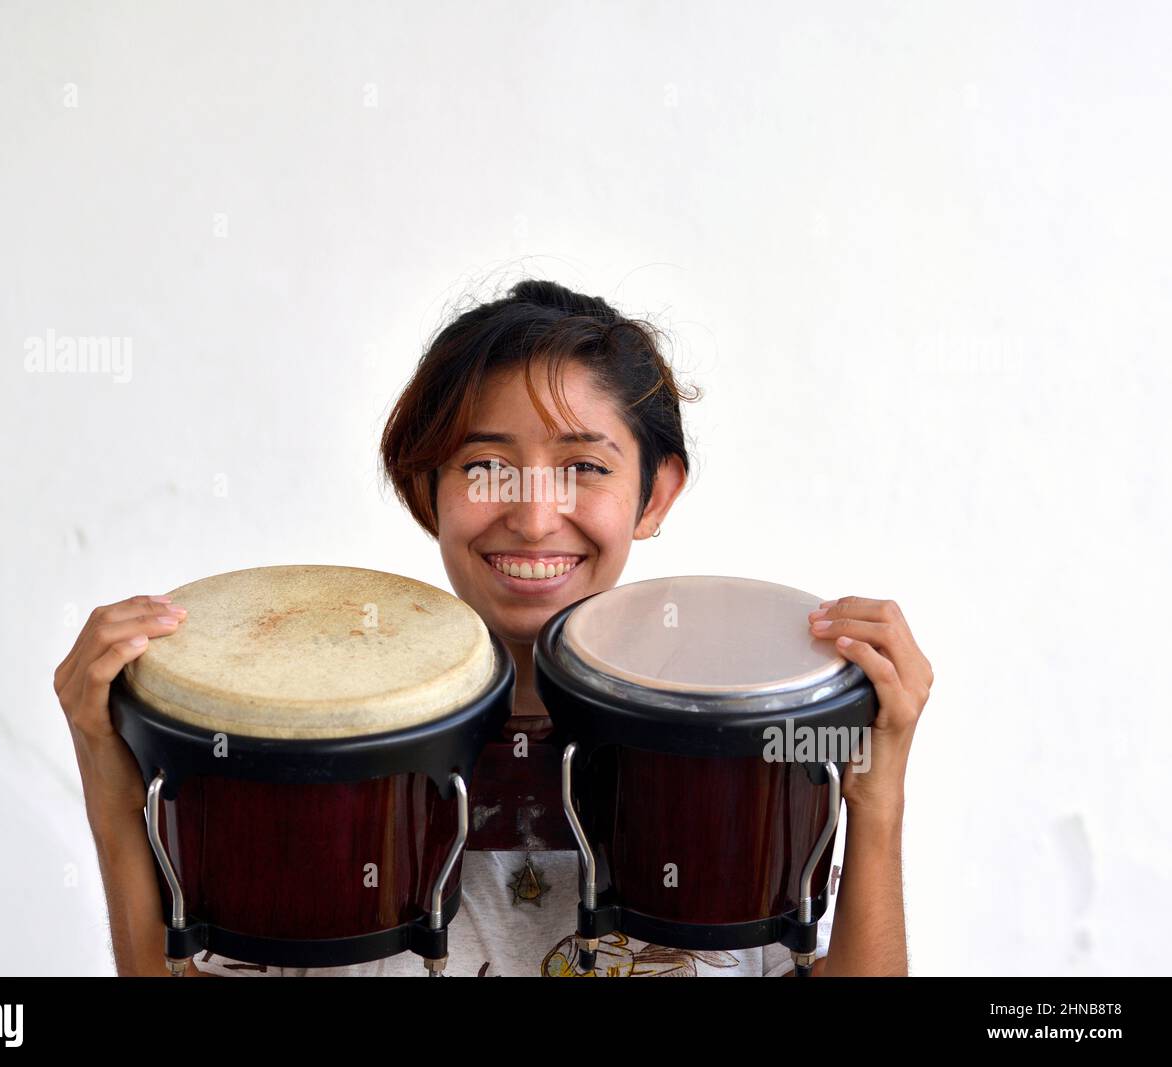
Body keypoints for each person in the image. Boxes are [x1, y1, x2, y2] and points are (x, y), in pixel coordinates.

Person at [55, 279, 933, 977]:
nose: (535, 515)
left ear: (656, 494)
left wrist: (878, 791)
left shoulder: (741, 716)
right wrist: (108, 770)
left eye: (583, 465)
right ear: (422, 489)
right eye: (485, 465)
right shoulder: (305, 727)